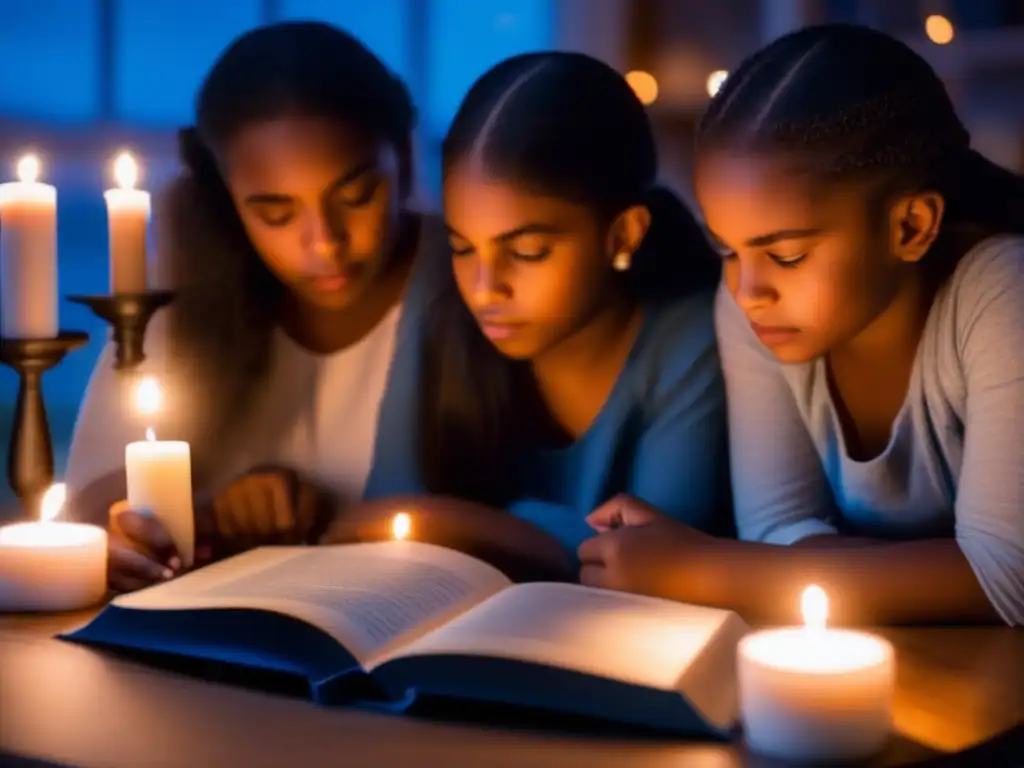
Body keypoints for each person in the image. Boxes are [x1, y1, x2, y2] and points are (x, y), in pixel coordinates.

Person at [577, 24, 1024, 627]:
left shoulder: (1000, 290)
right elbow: (778, 527)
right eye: (728, 250)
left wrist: (701, 568)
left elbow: (1006, 577)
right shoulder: (757, 307)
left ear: (911, 227)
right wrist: (924, 574)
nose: (747, 290)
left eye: (786, 255)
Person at [66, 21, 448, 592]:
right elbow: (89, 508)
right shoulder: (176, 315)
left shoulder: (480, 289)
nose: (324, 242)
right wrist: (138, 530)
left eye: (356, 196)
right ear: (228, 200)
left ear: (406, 162)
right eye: (276, 213)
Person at [326, 52, 728, 564]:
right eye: (463, 247)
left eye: (527, 252)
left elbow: (651, 561)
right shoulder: (440, 295)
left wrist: (450, 520)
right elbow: (376, 516)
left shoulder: (688, 338)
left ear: (623, 233)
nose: (485, 287)